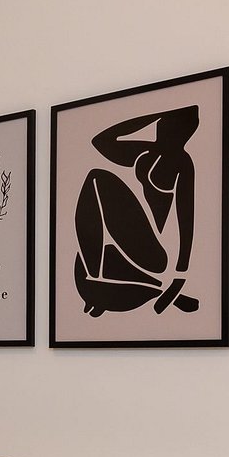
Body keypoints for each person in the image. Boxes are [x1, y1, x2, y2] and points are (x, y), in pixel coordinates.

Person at [72, 105, 202, 317]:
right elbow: (101, 141)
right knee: (95, 181)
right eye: (160, 123)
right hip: (137, 238)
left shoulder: (182, 163)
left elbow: (186, 218)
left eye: (166, 124)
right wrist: (153, 114)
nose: (160, 128)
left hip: (157, 253)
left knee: (97, 178)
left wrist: (181, 272)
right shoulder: (147, 152)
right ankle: (96, 278)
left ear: (183, 133)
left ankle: (97, 279)